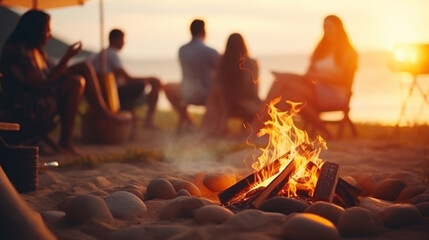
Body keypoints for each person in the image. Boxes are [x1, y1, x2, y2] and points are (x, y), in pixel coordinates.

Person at [0, 9, 128, 154]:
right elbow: (41, 85)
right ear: (35, 30)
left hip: (39, 98)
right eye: (47, 30)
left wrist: (70, 60)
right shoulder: (19, 51)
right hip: (26, 107)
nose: (50, 35)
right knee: (76, 82)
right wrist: (67, 57)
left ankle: (103, 114)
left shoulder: (37, 51)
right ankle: (77, 134)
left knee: (83, 68)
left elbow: (55, 72)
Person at [251, 15, 358, 139]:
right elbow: (308, 75)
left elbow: (345, 81)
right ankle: (326, 132)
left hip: (336, 94)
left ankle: (257, 122)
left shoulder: (349, 52)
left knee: (283, 81)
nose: (326, 30)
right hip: (316, 89)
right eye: (324, 27)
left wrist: (318, 77)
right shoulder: (321, 50)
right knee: (288, 95)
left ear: (339, 28)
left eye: (329, 27)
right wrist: (310, 77)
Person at [89, 29, 161, 129]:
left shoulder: (98, 55)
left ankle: (137, 117)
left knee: (143, 84)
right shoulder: (112, 54)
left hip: (103, 94)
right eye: (122, 39)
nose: (124, 43)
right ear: (115, 40)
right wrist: (150, 78)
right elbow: (128, 78)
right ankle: (148, 121)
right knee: (154, 82)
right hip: (115, 94)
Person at [164, 19, 219, 133]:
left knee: (167, 87)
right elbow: (220, 73)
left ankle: (188, 120)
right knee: (219, 88)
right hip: (206, 94)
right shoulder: (210, 52)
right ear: (204, 31)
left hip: (186, 93)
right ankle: (193, 122)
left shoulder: (182, 50)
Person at [202, 33, 261, 137]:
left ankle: (225, 128)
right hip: (246, 106)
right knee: (263, 105)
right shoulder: (251, 63)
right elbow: (254, 90)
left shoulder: (222, 63)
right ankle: (248, 129)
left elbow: (216, 87)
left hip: (226, 106)